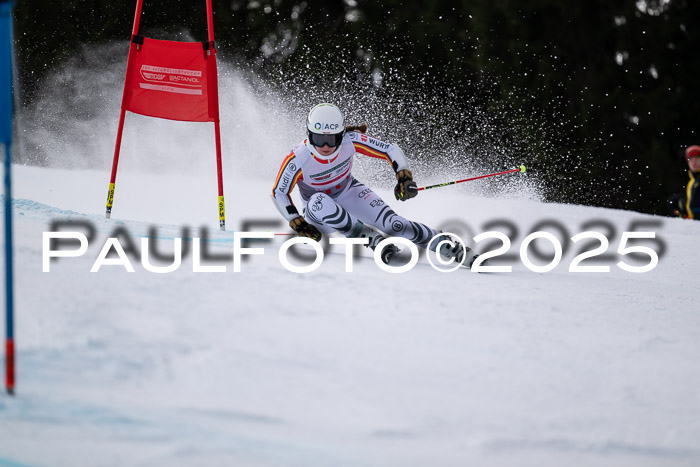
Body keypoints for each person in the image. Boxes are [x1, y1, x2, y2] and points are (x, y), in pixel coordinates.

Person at [271, 102, 480, 267]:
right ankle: (368, 237)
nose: (326, 146)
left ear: (341, 134)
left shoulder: (350, 140)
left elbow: (390, 149)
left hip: (348, 191)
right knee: (319, 200)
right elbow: (279, 192)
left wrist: (403, 176)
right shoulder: (299, 157)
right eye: (319, 139)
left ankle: (451, 248)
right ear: (309, 135)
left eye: (332, 139)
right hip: (318, 215)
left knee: (394, 225)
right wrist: (297, 221)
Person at [669, 145, 700, 219]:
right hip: (693, 225)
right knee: (673, 201)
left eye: (697, 158)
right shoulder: (692, 182)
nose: (694, 162)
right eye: (690, 159)